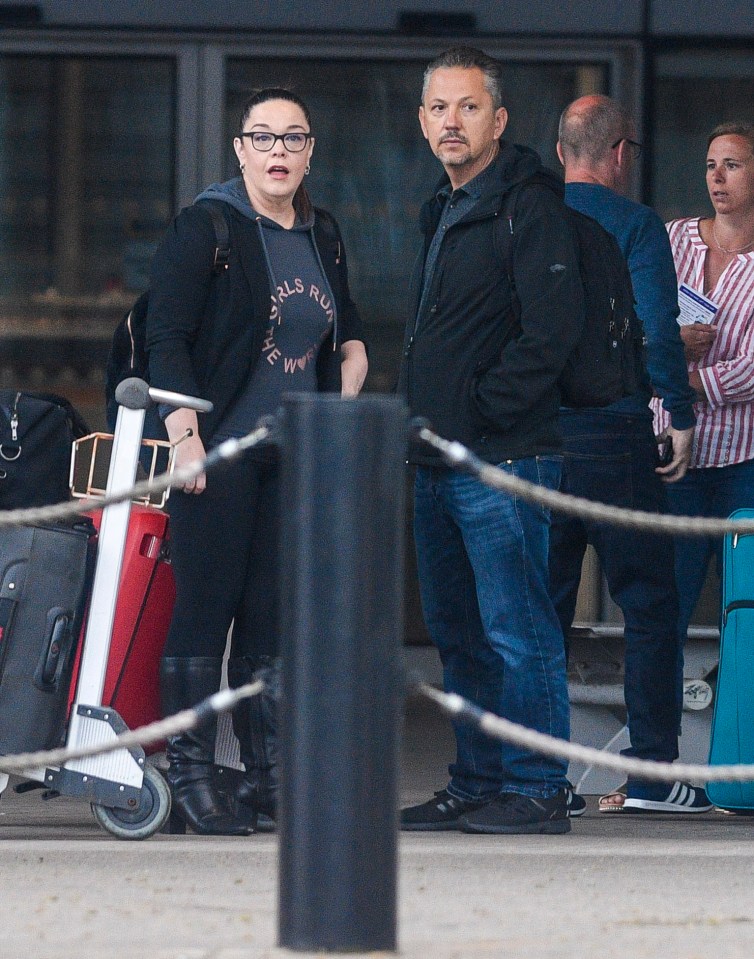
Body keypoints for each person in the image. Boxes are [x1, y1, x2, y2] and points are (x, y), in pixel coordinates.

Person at [146, 88, 368, 835]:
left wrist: (339, 409)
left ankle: (268, 777)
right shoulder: (206, 226)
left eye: (293, 138)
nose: (278, 151)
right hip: (219, 454)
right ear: (239, 149)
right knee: (203, 620)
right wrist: (184, 438)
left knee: (271, 624)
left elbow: (350, 338)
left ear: (311, 152)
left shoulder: (322, 231)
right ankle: (191, 776)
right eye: (263, 137)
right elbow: (166, 338)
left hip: (293, 460)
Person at [397, 47, 585, 835]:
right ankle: (476, 780)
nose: (451, 121)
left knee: (520, 630)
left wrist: (473, 412)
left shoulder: (530, 205)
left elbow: (553, 336)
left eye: (468, 107)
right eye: (439, 107)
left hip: (501, 457)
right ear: (421, 121)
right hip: (437, 458)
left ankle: (539, 786)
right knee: (460, 635)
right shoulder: (440, 206)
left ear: (499, 121)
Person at [551, 95, 712, 815]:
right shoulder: (637, 224)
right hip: (616, 437)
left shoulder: (527, 217)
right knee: (650, 606)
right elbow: (657, 328)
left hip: (538, 443)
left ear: (561, 153)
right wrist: (676, 411)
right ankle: (650, 775)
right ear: (620, 154)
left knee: (538, 612)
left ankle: (535, 774)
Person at [652, 121, 754, 728]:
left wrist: (677, 371)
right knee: (666, 606)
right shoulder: (674, 240)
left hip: (744, 463)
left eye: (734, 165)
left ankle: (736, 750)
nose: (717, 177)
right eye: (712, 164)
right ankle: (655, 761)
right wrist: (669, 349)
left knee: (743, 613)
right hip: (677, 455)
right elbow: (641, 327)